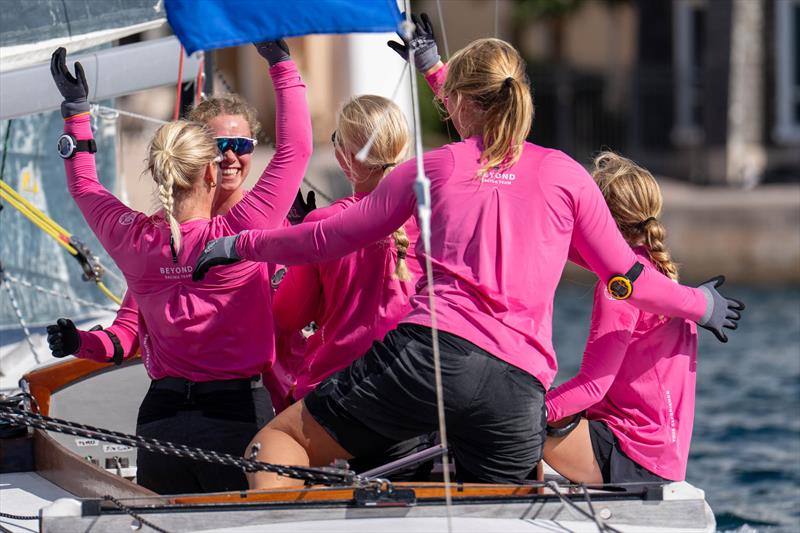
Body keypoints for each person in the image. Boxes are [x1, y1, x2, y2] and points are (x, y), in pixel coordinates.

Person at [193, 37, 743, 489]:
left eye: (451, 98)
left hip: (427, 359)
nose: (447, 108)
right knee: (494, 504)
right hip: (517, 390)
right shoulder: (568, 176)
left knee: (276, 446)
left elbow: (327, 239)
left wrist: (238, 246)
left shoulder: (433, 168)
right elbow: (627, 279)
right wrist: (703, 305)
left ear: (467, 103)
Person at [48, 41, 312, 494]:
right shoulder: (242, 234)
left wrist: (76, 110)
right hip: (232, 416)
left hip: (160, 420)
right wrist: (282, 66)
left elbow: (85, 186)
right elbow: (296, 150)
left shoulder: (135, 239)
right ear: (210, 173)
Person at [46, 91, 314, 411]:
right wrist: (80, 343)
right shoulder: (160, 239)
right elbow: (125, 335)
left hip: (287, 406)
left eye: (240, 145)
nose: (229, 156)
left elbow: (323, 314)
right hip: (239, 412)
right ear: (198, 159)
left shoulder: (147, 241)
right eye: (218, 147)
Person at [543, 152, 737, 485]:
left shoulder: (618, 289)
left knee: (509, 430)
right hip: (663, 460)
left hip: (631, 457)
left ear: (597, 216)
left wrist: (533, 412)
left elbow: (592, 386)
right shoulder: (662, 275)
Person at [272, 95, 432, 477]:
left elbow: (287, 316)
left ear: (344, 158)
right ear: (403, 148)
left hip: (336, 401)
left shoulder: (324, 225)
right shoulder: (433, 222)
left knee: (264, 450)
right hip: (416, 399)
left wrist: (298, 241)